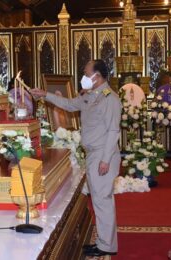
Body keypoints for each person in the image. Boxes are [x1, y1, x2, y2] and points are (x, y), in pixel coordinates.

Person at [30, 59, 122, 257]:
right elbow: (70, 105)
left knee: (102, 200)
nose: (83, 76)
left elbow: (114, 131)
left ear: (96, 77)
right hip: (93, 154)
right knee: (99, 199)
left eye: (86, 72)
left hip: (103, 154)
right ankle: (104, 242)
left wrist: (105, 160)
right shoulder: (90, 95)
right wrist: (45, 95)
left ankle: (106, 245)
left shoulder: (110, 98)